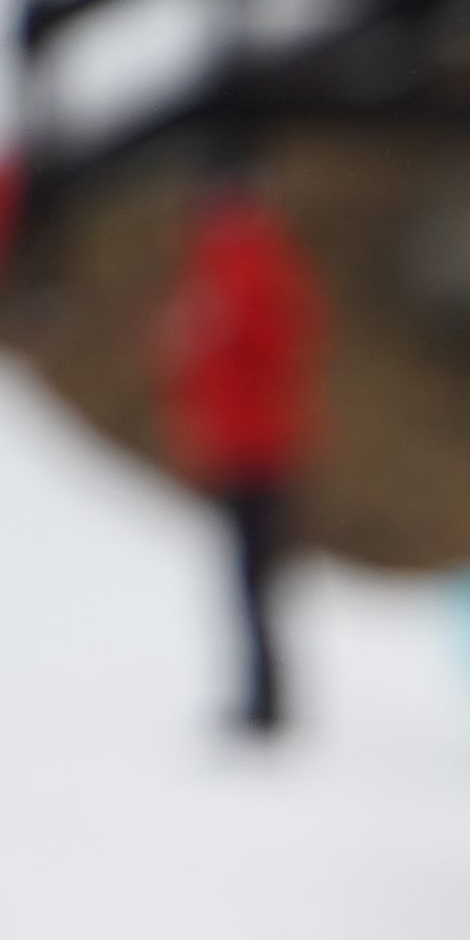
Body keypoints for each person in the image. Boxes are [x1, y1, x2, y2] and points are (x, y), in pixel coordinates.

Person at [156, 151, 327, 739]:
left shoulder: (246, 259)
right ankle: (260, 695)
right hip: (241, 444)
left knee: (253, 577)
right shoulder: (226, 259)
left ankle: (265, 701)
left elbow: (276, 335)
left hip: (258, 447)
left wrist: (212, 328)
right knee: (246, 578)